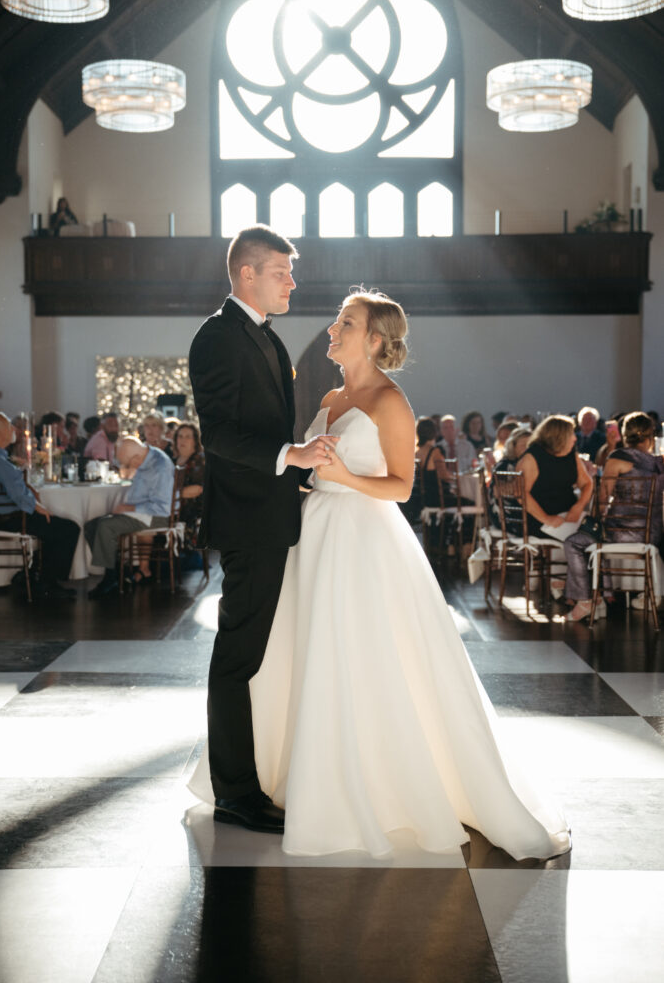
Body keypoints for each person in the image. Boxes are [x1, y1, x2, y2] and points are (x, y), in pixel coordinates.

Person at [188, 292, 571, 862]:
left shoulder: (392, 402)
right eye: (339, 319)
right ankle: (295, 773)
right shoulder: (330, 395)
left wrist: (341, 474)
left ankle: (372, 786)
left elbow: (401, 487)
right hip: (312, 532)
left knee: (364, 656)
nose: (333, 329)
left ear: (373, 340)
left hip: (363, 538)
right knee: (302, 652)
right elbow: (307, 461)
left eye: (346, 323)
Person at [188, 225, 338, 836]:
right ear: (246, 272)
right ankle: (234, 793)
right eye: (282, 271)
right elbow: (219, 436)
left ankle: (254, 776)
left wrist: (297, 476)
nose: (292, 283)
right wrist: (291, 455)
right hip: (247, 520)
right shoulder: (217, 337)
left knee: (256, 655)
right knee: (237, 657)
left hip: (271, 512)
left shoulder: (269, 343)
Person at [564, 411, 664, 622]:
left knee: (574, 543)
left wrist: (597, 519)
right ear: (650, 436)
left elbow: (602, 499)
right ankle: (600, 596)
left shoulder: (618, 458)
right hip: (652, 535)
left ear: (624, 434)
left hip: (618, 533)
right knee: (595, 536)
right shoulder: (659, 463)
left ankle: (586, 600)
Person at [0, 412, 79, 599]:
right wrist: (37, 506)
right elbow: (16, 492)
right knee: (68, 529)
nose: (14, 430)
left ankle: (34, 575)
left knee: (53, 528)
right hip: (9, 520)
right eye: (10, 427)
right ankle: (48, 583)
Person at [84, 435, 174, 597]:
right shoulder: (145, 455)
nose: (126, 466)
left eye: (127, 463)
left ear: (136, 457)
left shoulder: (160, 466)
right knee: (91, 526)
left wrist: (129, 507)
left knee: (105, 526)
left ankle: (110, 580)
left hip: (154, 516)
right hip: (139, 512)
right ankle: (118, 572)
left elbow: (161, 507)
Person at [173, 421, 205, 558]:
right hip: (174, 506)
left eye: (188, 436)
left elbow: (198, 489)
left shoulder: (199, 459)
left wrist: (171, 496)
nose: (183, 440)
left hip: (192, 508)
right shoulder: (174, 459)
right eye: (180, 436)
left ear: (195, 441)